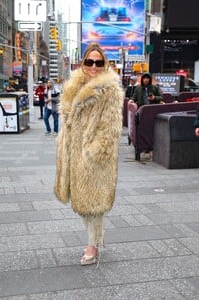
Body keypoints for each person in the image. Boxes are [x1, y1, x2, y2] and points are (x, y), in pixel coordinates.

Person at [54, 42, 124, 266]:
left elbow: (111, 128)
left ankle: (92, 245)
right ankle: (96, 240)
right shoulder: (73, 86)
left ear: (104, 64)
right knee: (83, 204)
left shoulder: (110, 90)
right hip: (73, 155)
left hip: (93, 157)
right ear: (83, 63)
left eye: (98, 62)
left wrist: (93, 154)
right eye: (89, 61)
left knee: (94, 205)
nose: (94, 66)